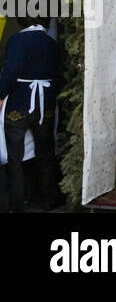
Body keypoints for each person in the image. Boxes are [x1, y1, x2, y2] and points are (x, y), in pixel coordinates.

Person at [0, 16, 62, 212]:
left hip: (19, 104)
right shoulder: (51, 44)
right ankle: (48, 200)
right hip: (45, 106)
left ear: (21, 21)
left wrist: (1, 95)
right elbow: (59, 74)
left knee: (15, 157)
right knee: (45, 154)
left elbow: (10, 71)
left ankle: (17, 204)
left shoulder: (17, 40)